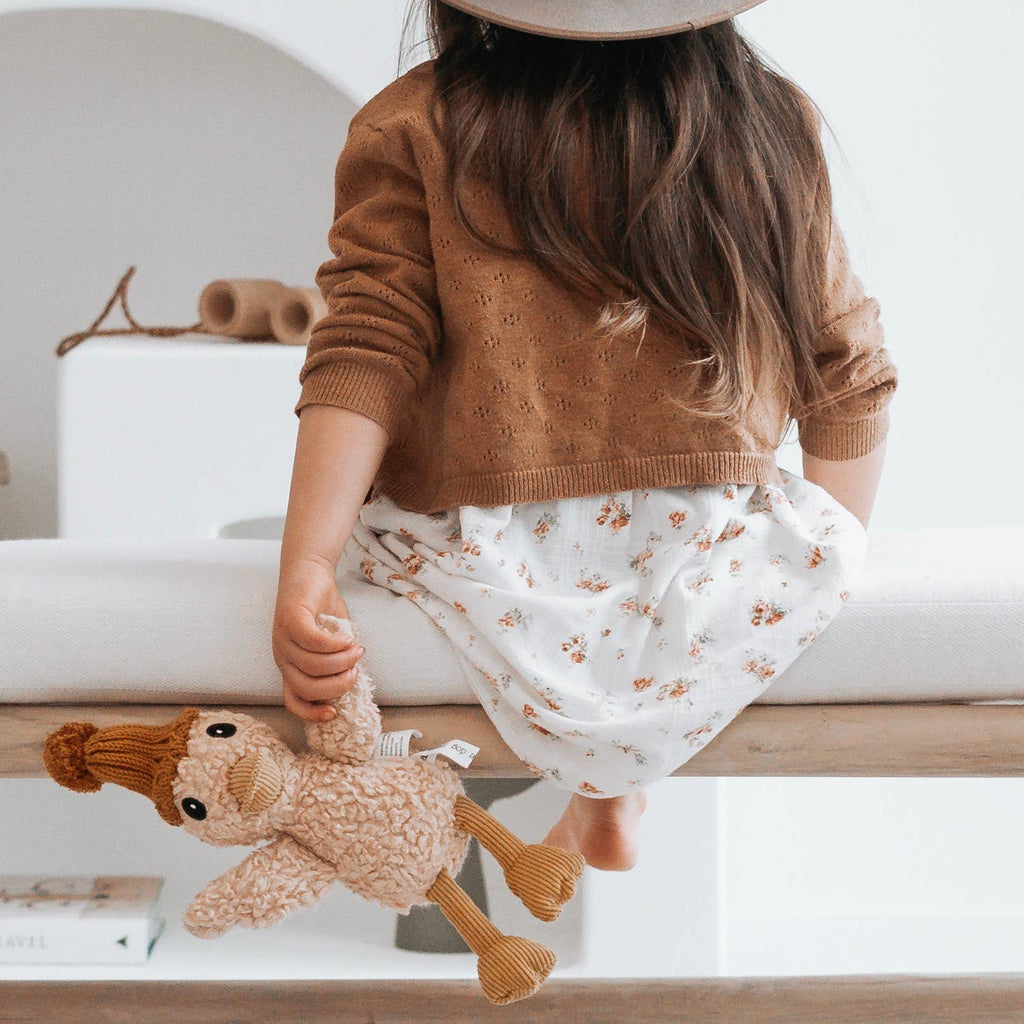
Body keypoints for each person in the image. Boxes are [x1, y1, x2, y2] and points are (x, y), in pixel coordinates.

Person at [272, 0, 898, 873]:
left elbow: (368, 349)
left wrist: (306, 563)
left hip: (488, 555)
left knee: (417, 530)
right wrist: (824, 551)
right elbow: (847, 369)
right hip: (705, 546)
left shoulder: (414, 121)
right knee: (777, 535)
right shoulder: (766, 121)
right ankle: (612, 790)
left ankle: (601, 794)